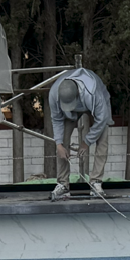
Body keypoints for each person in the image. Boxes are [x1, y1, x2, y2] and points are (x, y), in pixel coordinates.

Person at [48, 67, 112, 200]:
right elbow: (57, 120)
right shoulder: (54, 95)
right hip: (70, 113)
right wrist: (59, 144)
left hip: (95, 105)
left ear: (78, 94)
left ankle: (96, 182)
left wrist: (86, 142)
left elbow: (101, 119)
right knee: (61, 143)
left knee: (103, 137)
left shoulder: (93, 93)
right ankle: (63, 184)